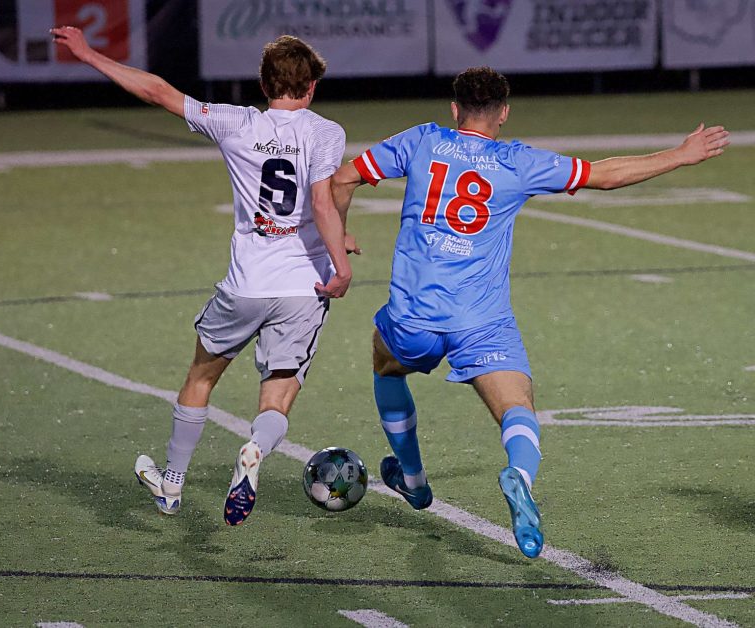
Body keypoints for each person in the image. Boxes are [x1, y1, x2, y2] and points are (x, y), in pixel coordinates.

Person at [330, 67, 729, 558]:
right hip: (481, 322)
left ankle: (413, 479)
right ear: (504, 112)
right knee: (517, 407)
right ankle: (518, 475)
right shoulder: (517, 161)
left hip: (414, 316)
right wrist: (681, 155)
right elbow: (603, 176)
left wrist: (341, 238)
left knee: (386, 364)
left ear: (454, 110)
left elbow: (342, 179)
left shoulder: (420, 141)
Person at [52, 27, 359, 525]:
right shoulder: (327, 132)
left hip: (244, 285)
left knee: (200, 379)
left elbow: (158, 91)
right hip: (303, 288)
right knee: (278, 393)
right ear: (311, 87)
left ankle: (171, 485)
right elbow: (322, 200)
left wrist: (90, 55)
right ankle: (255, 449)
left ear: (263, 85)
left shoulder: (234, 122)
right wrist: (340, 259)